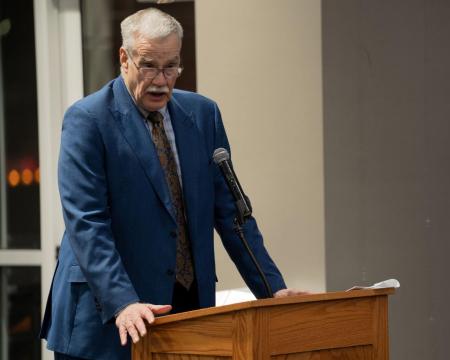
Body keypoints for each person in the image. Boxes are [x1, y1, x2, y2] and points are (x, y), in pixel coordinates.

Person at [40, 8, 304, 360]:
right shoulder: (87, 120)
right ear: (124, 58)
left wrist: (273, 291)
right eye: (149, 65)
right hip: (105, 318)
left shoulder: (203, 114)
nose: (162, 80)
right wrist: (123, 302)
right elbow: (87, 224)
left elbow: (232, 214)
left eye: (171, 66)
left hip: (185, 308)